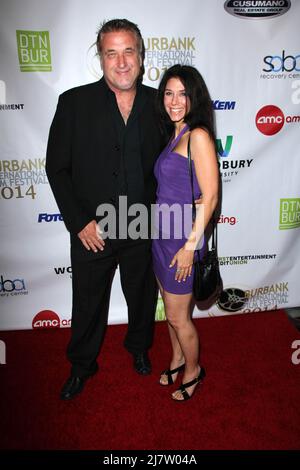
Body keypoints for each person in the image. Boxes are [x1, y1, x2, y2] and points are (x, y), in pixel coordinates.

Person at [46, 19, 163, 400]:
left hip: (141, 224)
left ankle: (139, 348)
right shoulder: (74, 103)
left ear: (141, 57)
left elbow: (170, 165)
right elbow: (57, 168)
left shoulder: (159, 104)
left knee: (142, 296)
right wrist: (79, 222)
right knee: (88, 303)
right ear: (101, 58)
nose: (122, 61)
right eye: (112, 52)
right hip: (93, 229)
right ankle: (82, 366)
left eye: (129, 51)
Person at [152, 64, 219, 401]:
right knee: (170, 312)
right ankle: (178, 358)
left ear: (195, 97)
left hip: (183, 243)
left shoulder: (199, 136)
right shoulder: (176, 132)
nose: (174, 100)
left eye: (182, 93)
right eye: (168, 92)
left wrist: (191, 247)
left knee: (180, 318)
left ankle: (194, 371)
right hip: (162, 239)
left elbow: (211, 196)